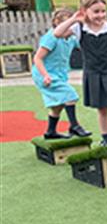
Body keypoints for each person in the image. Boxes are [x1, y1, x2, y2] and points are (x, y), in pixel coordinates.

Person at [54, 0, 107, 146]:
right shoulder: (79, 28)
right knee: (102, 109)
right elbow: (57, 33)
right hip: (94, 74)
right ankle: (106, 138)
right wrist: (74, 18)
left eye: (103, 11)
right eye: (96, 12)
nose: (101, 15)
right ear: (85, 11)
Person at [32, 8, 91, 139]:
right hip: (44, 74)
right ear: (57, 24)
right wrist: (45, 75)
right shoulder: (51, 37)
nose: (70, 28)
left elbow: (87, 45)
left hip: (59, 75)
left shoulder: (70, 39)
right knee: (70, 96)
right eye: (68, 25)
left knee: (57, 106)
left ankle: (50, 132)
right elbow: (37, 58)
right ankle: (74, 126)